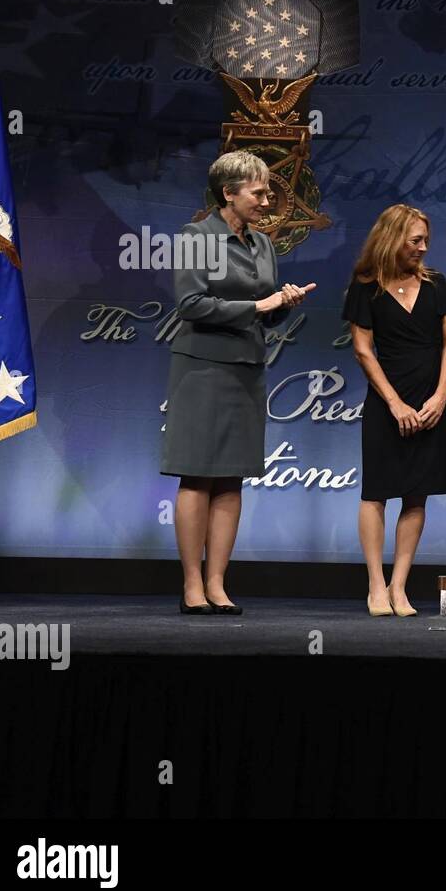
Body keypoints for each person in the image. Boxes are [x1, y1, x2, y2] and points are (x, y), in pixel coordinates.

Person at [161, 150, 315, 615]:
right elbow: (190, 304)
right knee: (198, 474)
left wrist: (283, 303)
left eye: (268, 191)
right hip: (203, 368)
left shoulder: (263, 244)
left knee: (232, 479)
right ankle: (191, 585)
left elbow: (263, 313)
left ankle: (217, 584)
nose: (268, 200)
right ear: (228, 193)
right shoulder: (196, 237)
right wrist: (258, 307)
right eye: (259, 192)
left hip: (247, 367)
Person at [342, 204, 446, 617]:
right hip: (387, 404)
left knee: (416, 495)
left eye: (426, 240)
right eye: (415, 241)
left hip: (430, 404)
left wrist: (440, 397)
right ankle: (375, 586)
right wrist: (394, 404)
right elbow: (362, 349)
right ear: (392, 239)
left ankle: (399, 586)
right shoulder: (365, 285)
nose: (423, 248)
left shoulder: (437, 284)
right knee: (376, 492)